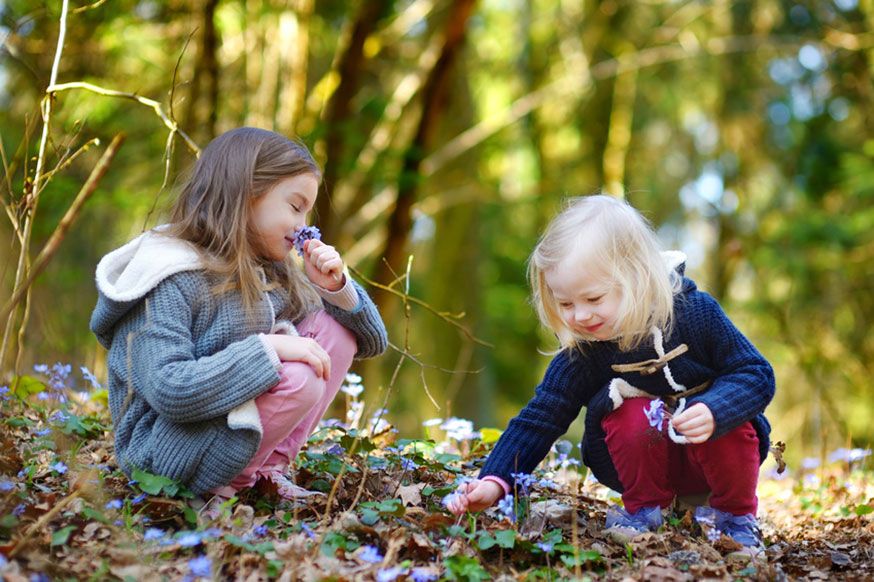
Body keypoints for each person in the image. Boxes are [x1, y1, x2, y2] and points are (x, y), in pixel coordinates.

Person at [446, 195, 774, 560]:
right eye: (566, 304)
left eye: (594, 298)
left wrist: (716, 408)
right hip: (643, 468)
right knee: (629, 413)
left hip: (715, 461)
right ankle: (646, 513)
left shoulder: (694, 314)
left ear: (636, 277)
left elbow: (755, 372)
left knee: (728, 416)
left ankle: (735, 522)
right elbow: (542, 415)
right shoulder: (586, 349)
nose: (580, 316)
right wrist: (495, 480)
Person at [90, 127, 387, 513]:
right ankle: (219, 489)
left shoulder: (268, 271)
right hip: (163, 453)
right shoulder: (166, 274)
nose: (303, 224)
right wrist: (268, 348)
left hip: (220, 433)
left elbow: (370, 341)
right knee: (300, 375)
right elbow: (170, 389)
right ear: (247, 194)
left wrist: (336, 289)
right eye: (295, 207)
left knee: (335, 330)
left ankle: (263, 472)